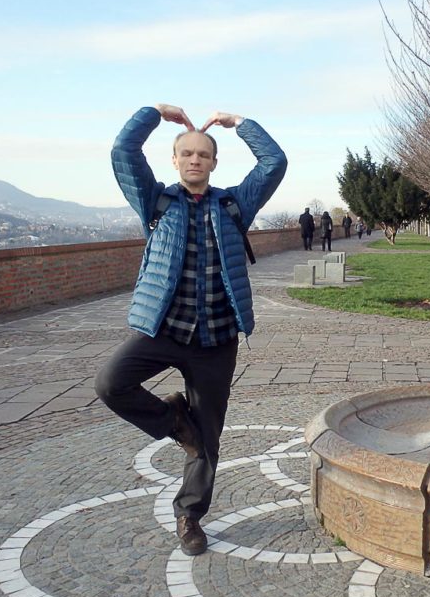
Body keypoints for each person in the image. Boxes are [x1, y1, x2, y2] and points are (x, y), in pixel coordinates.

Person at [95, 103, 287, 557]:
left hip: (216, 339)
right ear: (175, 160)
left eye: (204, 154)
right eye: (188, 154)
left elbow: (274, 163)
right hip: (162, 328)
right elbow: (123, 150)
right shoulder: (156, 200)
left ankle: (190, 515)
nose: (196, 160)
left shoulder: (232, 204)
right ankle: (172, 420)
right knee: (110, 383)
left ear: (214, 162)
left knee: (209, 434)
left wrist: (240, 125)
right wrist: (155, 113)